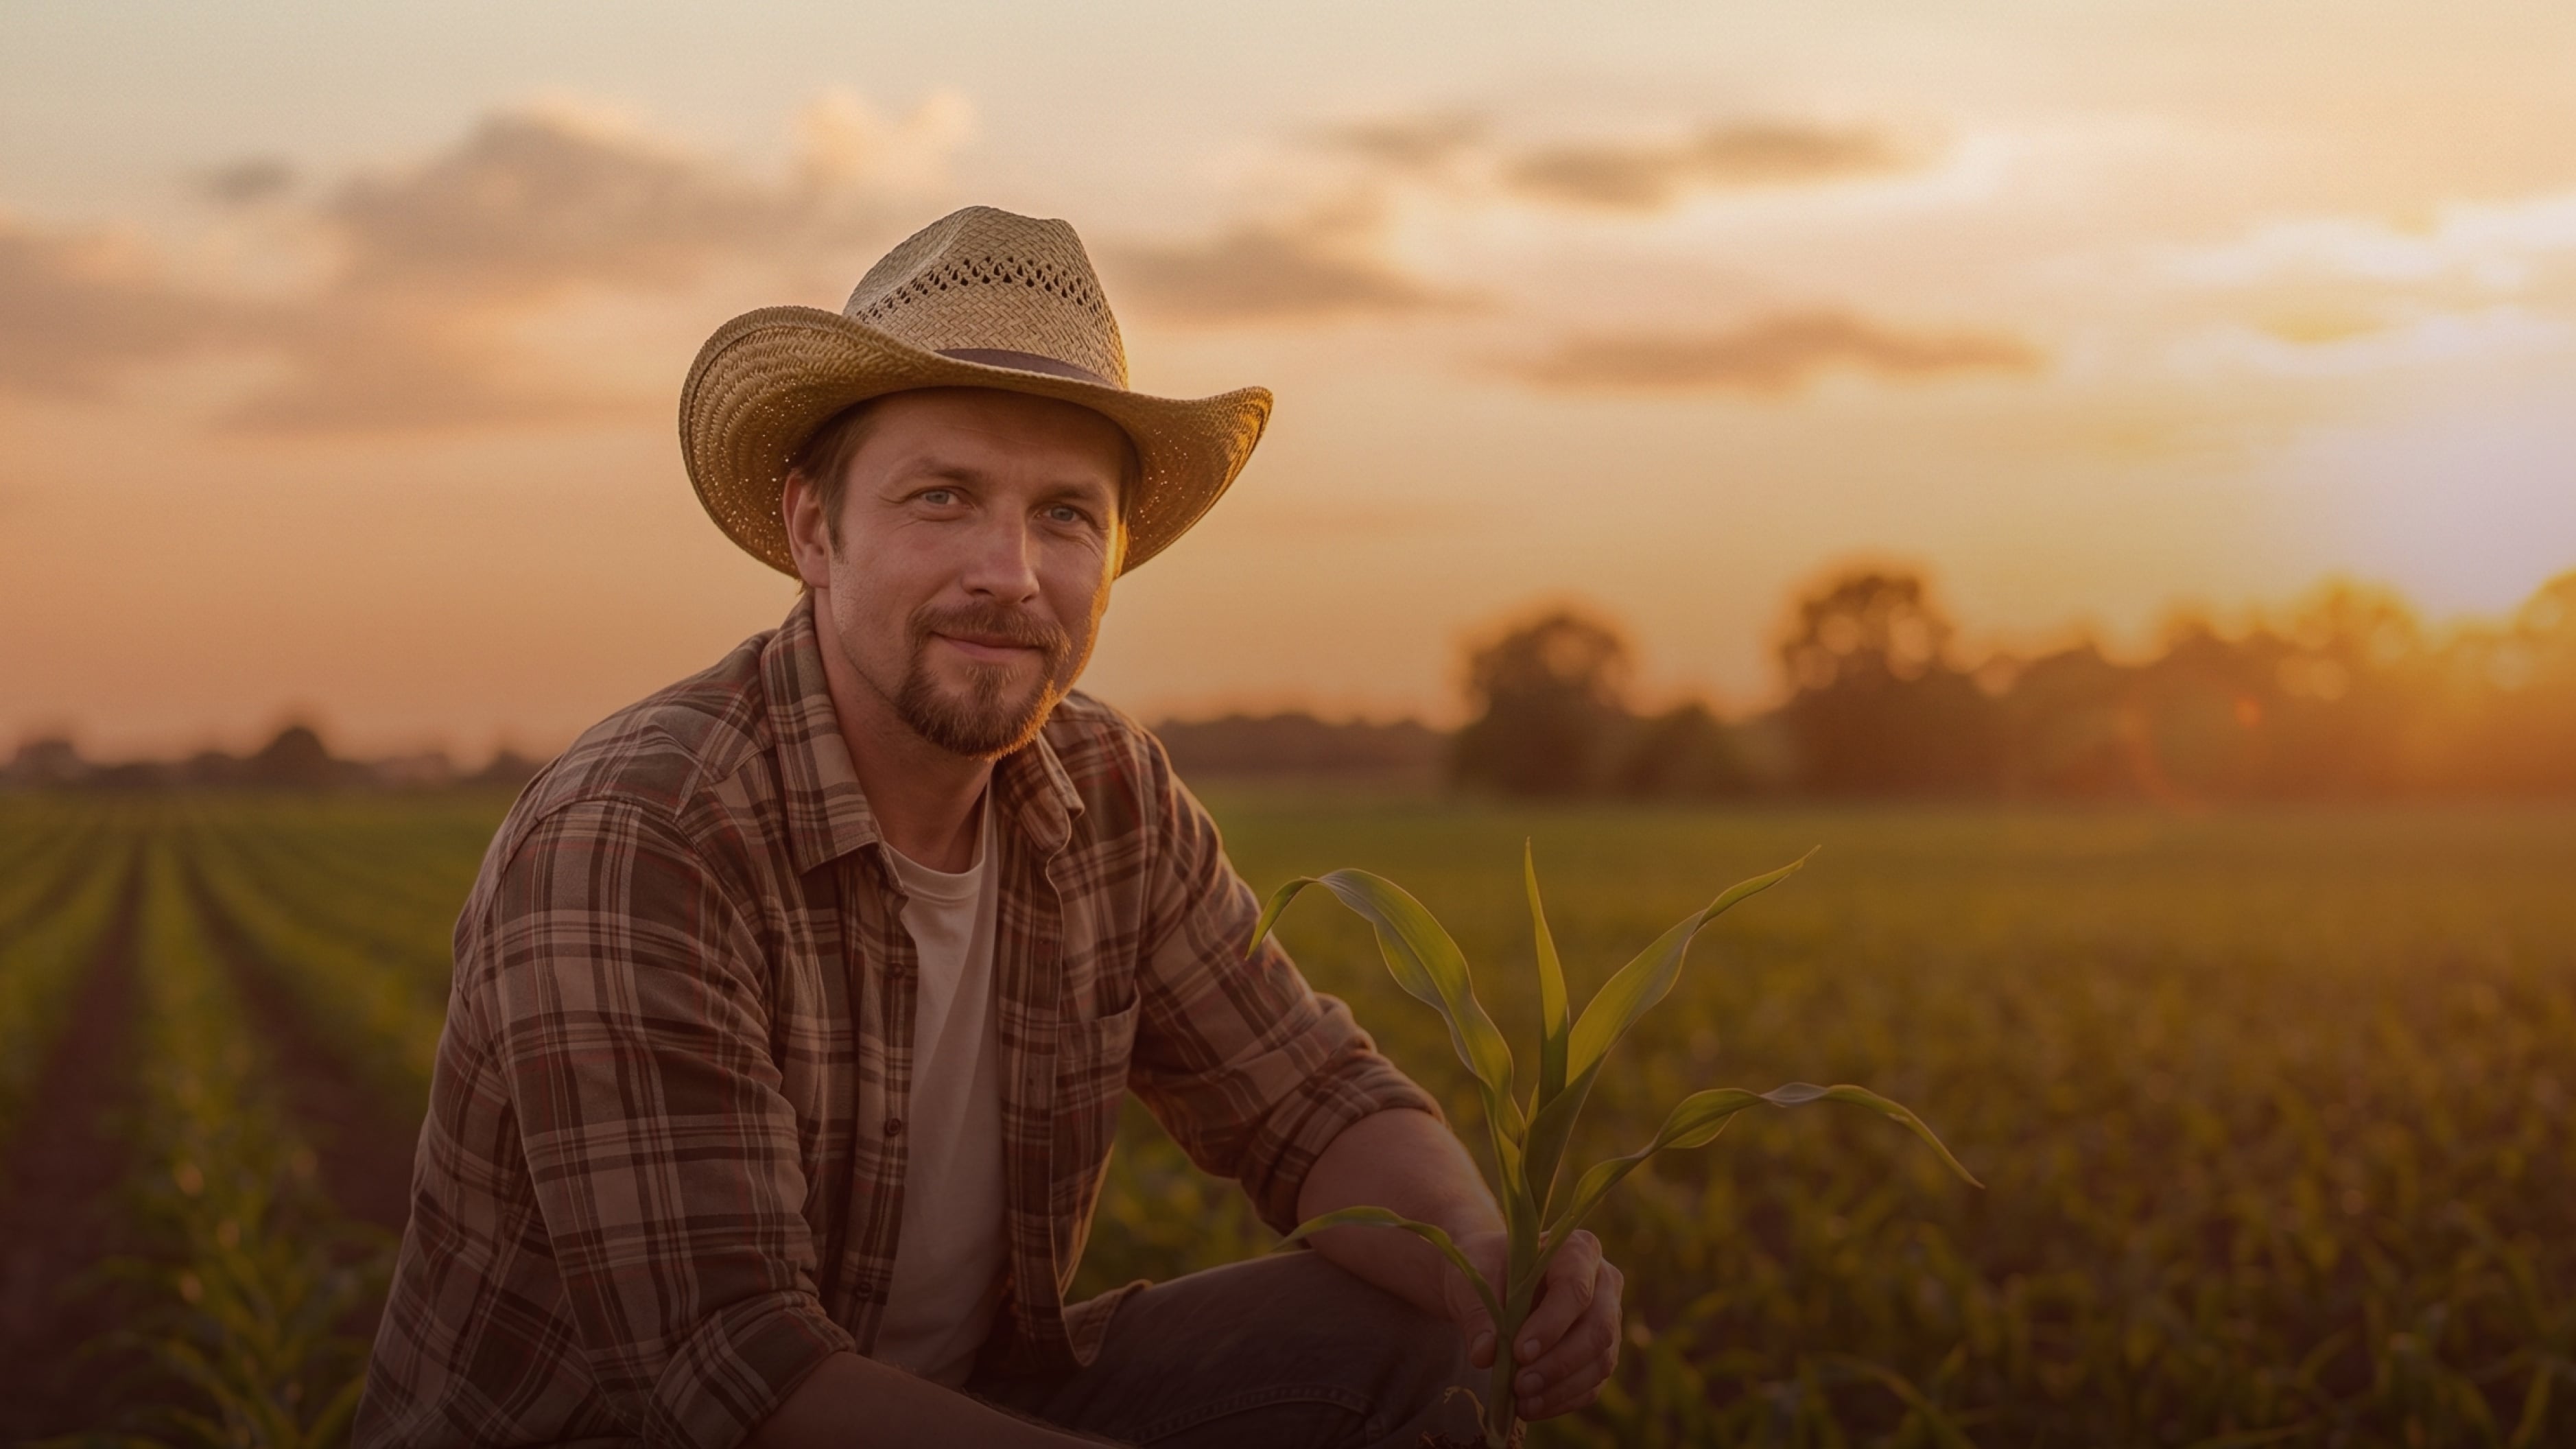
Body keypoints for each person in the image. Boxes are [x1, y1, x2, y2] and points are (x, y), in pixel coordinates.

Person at [353, 206, 1623, 1449]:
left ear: (1113, 555)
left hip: (958, 1399)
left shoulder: (1109, 791)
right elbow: (736, 1377)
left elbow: (1314, 1102)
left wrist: (1486, 1266)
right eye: (943, 497)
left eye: (1065, 514)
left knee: (1415, 1336)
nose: (1009, 574)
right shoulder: (643, 834)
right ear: (814, 529)